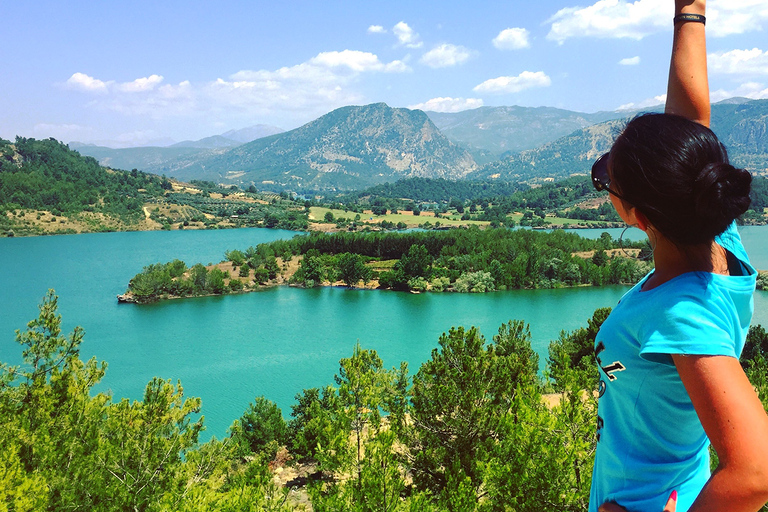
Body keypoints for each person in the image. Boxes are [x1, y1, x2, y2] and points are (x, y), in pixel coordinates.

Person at [588, 1, 768, 511]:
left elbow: (757, 472)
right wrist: (690, 13)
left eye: (607, 179)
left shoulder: (683, 313)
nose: (605, 186)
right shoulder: (714, 237)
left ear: (639, 214)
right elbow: (690, 124)